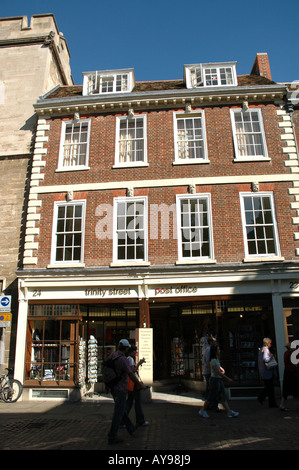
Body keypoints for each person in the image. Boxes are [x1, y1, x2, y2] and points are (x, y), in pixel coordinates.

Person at [107, 339, 146, 445]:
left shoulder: (113, 355)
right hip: (121, 388)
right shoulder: (123, 359)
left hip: (113, 387)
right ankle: (112, 436)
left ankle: (131, 428)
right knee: (118, 412)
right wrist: (140, 384)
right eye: (128, 348)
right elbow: (131, 374)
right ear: (126, 348)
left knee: (121, 410)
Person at [199, 343, 239, 418]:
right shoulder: (213, 360)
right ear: (215, 351)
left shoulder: (215, 359)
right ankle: (202, 410)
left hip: (218, 380)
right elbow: (217, 372)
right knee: (211, 396)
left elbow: (218, 368)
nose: (219, 350)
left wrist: (221, 368)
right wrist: (227, 378)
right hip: (215, 380)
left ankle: (229, 411)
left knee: (222, 396)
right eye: (218, 349)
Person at [125, 346, 149, 427]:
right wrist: (139, 364)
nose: (136, 353)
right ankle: (140, 420)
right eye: (135, 351)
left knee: (129, 402)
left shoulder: (128, 359)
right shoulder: (131, 359)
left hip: (130, 384)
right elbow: (133, 370)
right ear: (131, 352)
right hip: (133, 384)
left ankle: (122, 420)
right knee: (137, 402)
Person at [257, 337, 278, 408]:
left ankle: (268, 401)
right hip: (267, 372)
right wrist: (271, 356)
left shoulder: (261, 350)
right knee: (269, 388)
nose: (271, 345)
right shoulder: (265, 350)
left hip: (263, 372)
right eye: (270, 343)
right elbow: (266, 359)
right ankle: (264, 399)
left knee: (268, 387)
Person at [279, 343, 299, 411]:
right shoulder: (291, 354)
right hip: (292, 373)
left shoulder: (286, 353)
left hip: (287, 372)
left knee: (286, 388)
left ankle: (281, 404)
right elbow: (295, 363)